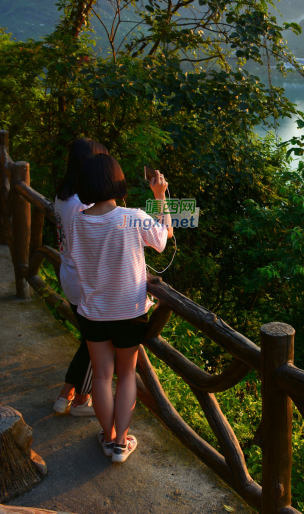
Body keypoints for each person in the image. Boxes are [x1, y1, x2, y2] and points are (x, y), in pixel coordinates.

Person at [69, 154, 173, 463]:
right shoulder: (133, 216)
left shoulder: (78, 220)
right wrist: (159, 196)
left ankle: (109, 437)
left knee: (102, 376)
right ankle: (121, 444)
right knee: (126, 374)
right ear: (118, 182)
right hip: (128, 310)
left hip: (93, 311)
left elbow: (76, 258)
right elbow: (163, 240)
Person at [52, 138, 109, 416]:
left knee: (90, 340)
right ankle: (79, 401)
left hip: (70, 275)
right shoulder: (81, 205)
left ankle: (67, 396)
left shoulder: (64, 196)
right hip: (85, 282)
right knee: (96, 343)